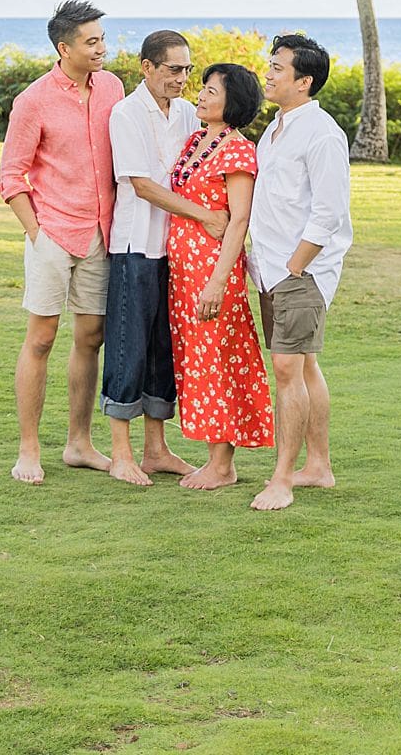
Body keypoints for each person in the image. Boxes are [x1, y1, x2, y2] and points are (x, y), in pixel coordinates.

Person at [0, 0, 123, 485]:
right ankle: (28, 448)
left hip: (101, 233)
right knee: (42, 338)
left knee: (91, 338)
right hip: (53, 233)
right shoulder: (33, 101)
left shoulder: (112, 86)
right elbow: (11, 176)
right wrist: (37, 234)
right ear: (63, 47)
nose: (101, 49)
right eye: (91, 41)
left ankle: (79, 443)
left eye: (102, 39)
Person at [102, 31, 230, 486]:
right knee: (127, 347)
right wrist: (205, 216)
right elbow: (142, 185)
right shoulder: (125, 113)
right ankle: (121, 455)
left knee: (162, 351)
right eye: (174, 69)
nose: (182, 79)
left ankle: (156, 450)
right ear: (147, 68)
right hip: (135, 248)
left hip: (176, 253)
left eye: (188, 70)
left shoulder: (185, 115)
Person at [247, 33, 353, 512]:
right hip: (271, 271)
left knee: (287, 369)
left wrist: (295, 268)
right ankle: (319, 467)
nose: (268, 74)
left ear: (304, 81)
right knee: (304, 365)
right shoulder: (274, 129)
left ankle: (282, 479)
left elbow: (328, 214)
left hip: (300, 275)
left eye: (278, 68)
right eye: (270, 65)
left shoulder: (322, 133)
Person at [168, 62, 274, 490]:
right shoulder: (196, 140)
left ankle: (222, 464)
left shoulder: (237, 150)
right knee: (197, 360)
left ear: (234, 102)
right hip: (183, 271)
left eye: (212, 91)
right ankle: (214, 456)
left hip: (214, 271)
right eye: (204, 89)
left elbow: (239, 218)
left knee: (218, 360)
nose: (202, 95)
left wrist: (215, 280)